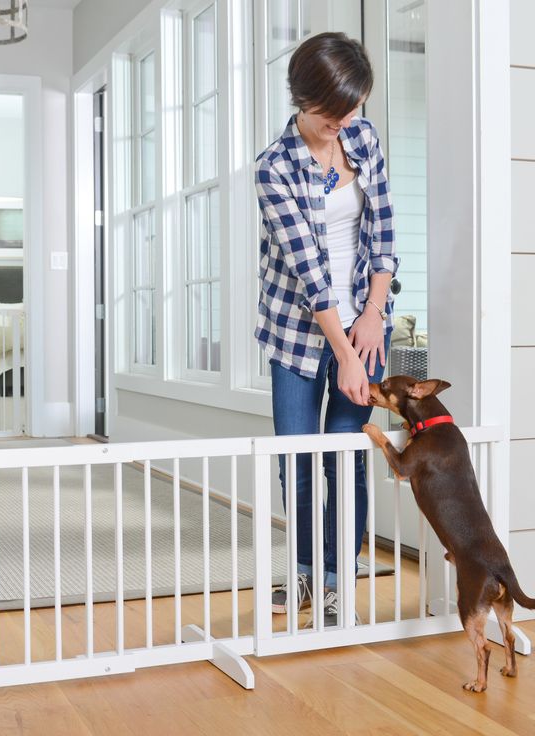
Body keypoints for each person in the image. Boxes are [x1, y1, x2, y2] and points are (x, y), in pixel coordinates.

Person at [254, 31, 399, 624]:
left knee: (348, 456)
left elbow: (386, 231)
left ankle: (340, 577)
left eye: (352, 107)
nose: (343, 120)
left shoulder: (362, 137)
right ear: (301, 98)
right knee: (298, 459)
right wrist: (342, 349)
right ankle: (307, 571)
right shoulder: (274, 169)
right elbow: (310, 274)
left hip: (365, 327)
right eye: (331, 110)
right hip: (297, 331)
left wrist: (373, 315)